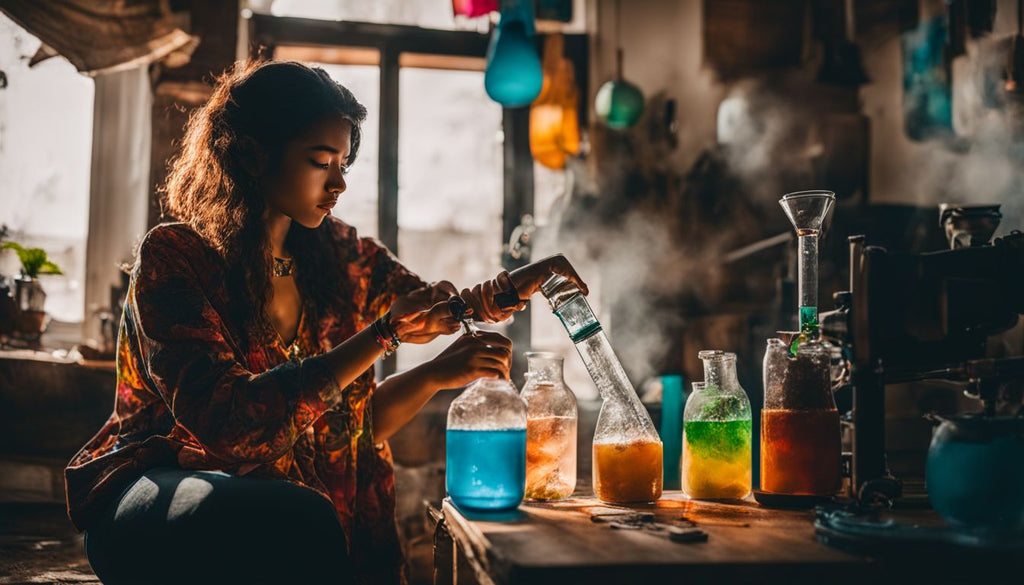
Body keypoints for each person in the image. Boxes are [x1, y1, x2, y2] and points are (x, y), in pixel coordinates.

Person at [64, 60, 587, 585]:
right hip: (158, 487)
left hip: (290, 510)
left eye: (343, 164)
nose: (338, 183)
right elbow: (231, 424)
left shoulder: (340, 255)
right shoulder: (177, 257)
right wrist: (383, 334)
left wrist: (517, 285)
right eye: (320, 161)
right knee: (296, 514)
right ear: (251, 154)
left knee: (312, 511)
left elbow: (432, 311)